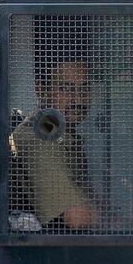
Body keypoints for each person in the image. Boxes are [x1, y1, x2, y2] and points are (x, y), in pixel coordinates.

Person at [9, 19, 97, 230]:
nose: (78, 99)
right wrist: (117, 220)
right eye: (66, 88)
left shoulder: (64, 134)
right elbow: (76, 218)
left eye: (84, 88)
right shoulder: (41, 138)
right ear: (41, 89)